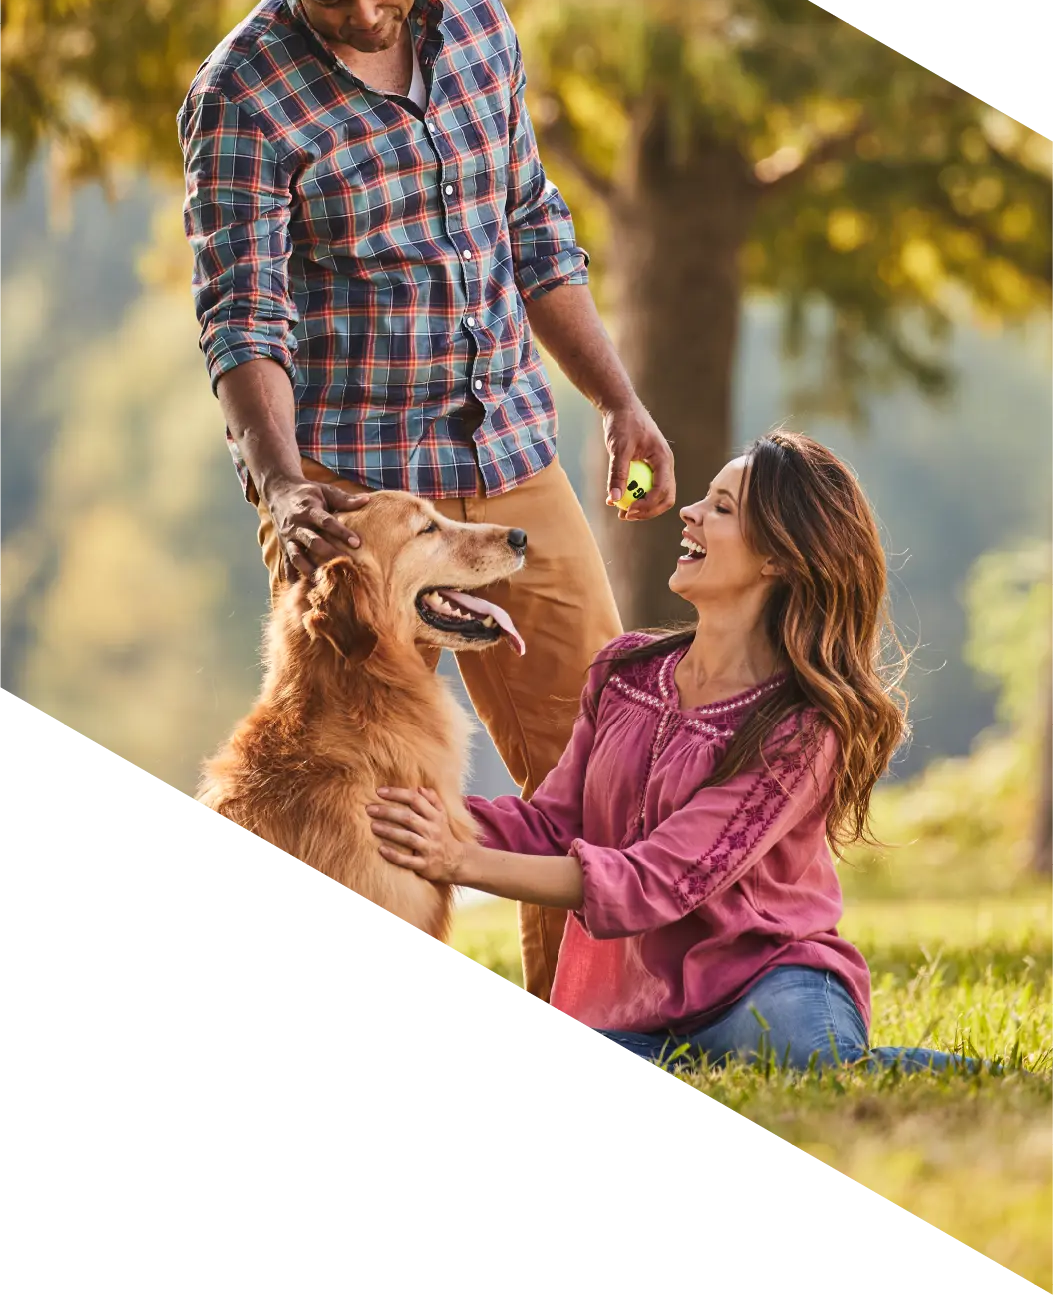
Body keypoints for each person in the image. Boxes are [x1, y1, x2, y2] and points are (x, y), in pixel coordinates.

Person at [177, 0, 676, 1005]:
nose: (360, 14)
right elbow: (243, 314)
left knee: (599, 749)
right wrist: (284, 487)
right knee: (345, 784)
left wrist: (618, 399)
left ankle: (589, 1008)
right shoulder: (243, 94)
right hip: (355, 498)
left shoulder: (480, 20)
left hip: (504, 445)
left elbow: (533, 231)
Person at [367, 429, 978, 1074]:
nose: (688, 511)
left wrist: (458, 858)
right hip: (631, 1007)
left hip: (766, 989)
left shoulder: (800, 729)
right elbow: (552, 826)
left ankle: (995, 1082)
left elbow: (656, 881)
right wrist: (410, 809)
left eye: (720, 508)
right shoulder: (625, 671)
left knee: (818, 1068)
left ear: (777, 557)